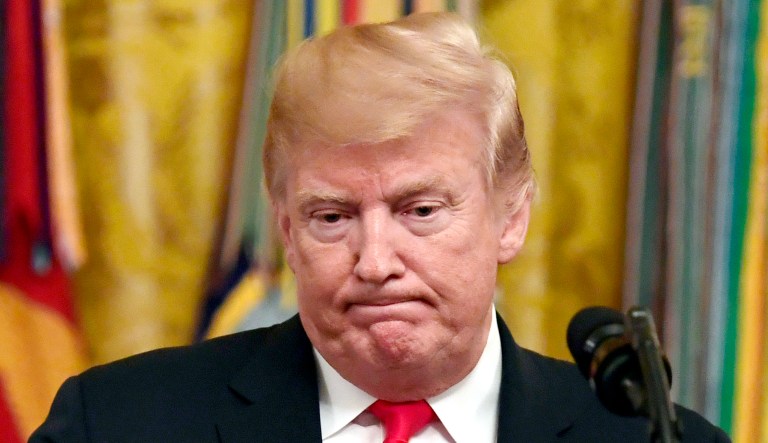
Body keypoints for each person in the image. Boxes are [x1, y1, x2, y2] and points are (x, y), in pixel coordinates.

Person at [31, 12, 729, 443]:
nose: (375, 261)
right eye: (331, 217)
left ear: (511, 217)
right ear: (284, 229)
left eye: (420, 211)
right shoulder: (119, 423)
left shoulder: (646, 436)